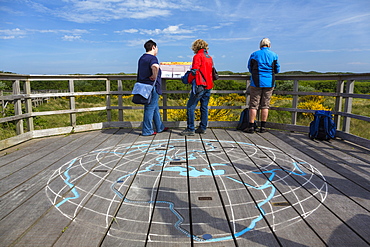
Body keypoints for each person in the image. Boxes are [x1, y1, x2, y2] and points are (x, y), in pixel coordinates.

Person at [244, 38, 280, 133]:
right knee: (265, 105)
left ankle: (251, 126)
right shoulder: (274, 55)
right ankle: (263, 127)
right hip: (269, 82)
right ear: (269, 45)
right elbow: (277, 69)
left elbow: (250, 67)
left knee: (253, 105)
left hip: (256, 81)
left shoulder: (254, 54)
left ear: (260, 45)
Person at [180, 39, 214, 136]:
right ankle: (203, 127)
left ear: (195, 47)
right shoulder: (209, 57)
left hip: (199, 85)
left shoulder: (197, 56)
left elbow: (194, 71)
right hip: (208, 85)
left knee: (190, 107)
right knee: (204, 107)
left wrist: (187, 79)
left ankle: (190, 128)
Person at [137, 40, 168, 136]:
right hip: (152, 87)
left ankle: (159, 127)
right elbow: (155, 66)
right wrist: (154, 76)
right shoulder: (152, 58)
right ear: (153, 47)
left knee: (154, 107)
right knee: (149, 108)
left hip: (143, 86)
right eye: (157, 48)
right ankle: (147, 130)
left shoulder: (142, 58)